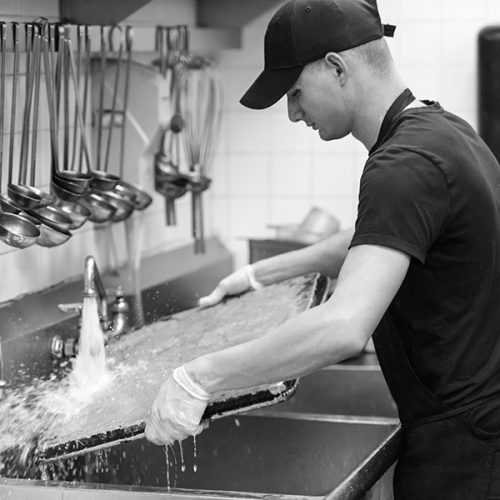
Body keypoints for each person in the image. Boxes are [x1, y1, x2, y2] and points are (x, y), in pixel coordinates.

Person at [145, 0, 500, 497]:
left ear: (336, 67)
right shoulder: (443, 132)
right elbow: (376, 239)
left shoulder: (401, 165)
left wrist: (198, 377)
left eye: (294, 93)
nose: (293, 114)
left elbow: (344, 327)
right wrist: (258, 275)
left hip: (466, 454)